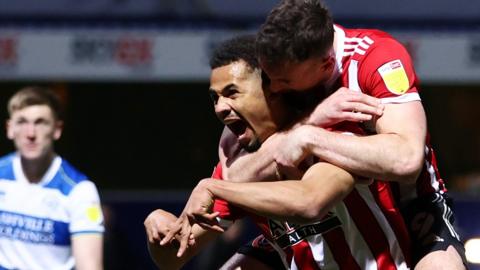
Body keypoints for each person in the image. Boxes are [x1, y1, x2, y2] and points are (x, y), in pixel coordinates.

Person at [218, 0, 466, 269]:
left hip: (410, 209)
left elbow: (406, 160)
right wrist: (309, 124)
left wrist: (308, 138)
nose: (272, 90)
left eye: (285, 82)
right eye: (268, 77)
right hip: (312, 225)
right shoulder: (271, 67)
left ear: (326, 65)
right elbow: (233, 172)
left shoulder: (376, 58)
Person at [146, 35, 411, 269]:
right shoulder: (240, 166)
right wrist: (157, 227)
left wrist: (214, 188)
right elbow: (172, 258)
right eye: (215, 98)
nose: (220, 108)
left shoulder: (331, 136)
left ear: (272, 89)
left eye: (232, 93)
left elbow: (310, 201)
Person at [0, 87, 104, 270]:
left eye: (40, 123)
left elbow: (90, 267)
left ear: (57, 129)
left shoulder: (80, 191)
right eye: (22, 122)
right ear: (9, 129)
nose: (30, 133)